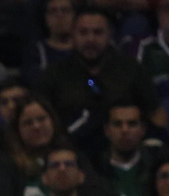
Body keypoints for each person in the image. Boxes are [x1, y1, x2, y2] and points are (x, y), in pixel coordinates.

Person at [38, 8, 163, 152]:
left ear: (109, 34)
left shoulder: (131, 70)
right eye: (83, 32)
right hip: (71, 152)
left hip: (125, 151)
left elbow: (155, 112)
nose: (90, 39)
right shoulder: (54, 74)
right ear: (73, 35)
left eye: (98, 32)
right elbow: (42, 117)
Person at [95, 102, 161, 196]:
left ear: (143, 129)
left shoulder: (158, 168)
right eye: (117, 124)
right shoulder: (94, 169)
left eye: (132, 124)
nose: (125, 130)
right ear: (107, 130)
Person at [22, 0, 78, 80]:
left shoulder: (85, 48)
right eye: (53, 11)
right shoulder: (36, 52)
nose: (59, 15)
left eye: (65, 10)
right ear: (45, 17)